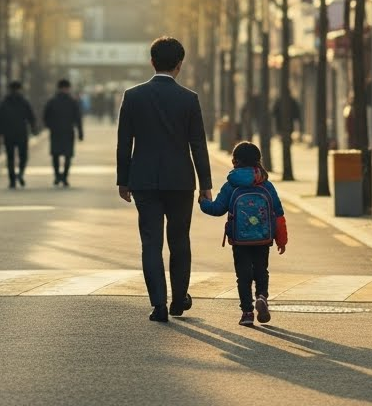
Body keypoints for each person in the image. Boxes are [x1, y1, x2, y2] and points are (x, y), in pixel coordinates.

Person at [116, 36, 213, 323]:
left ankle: (158, 304)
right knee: (179, 239)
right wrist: (205, 184)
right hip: (181, 180)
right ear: (179, 65)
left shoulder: (133, 96)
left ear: (152, 62)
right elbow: (198, 144)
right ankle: (179, 300)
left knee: (150, 242)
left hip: (143, 180)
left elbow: (124, 143)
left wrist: (123, 180)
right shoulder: (189, 99)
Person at [199, 141, 288, 327]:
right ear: (258, 161)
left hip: (240, 240)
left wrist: (203, 202)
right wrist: (282, 239)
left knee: (243, 275)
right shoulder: (265, 183)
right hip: (263, 238)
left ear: (235, 161)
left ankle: (247, 312)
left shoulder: (231, 184)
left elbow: (217, 209)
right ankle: (262, 296)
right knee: (261, 270)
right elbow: (278, 212)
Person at [0, 81, 37, 188]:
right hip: (21, 133)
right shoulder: (24, 102)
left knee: (10, 157)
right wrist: (34, 129)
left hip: (8, 134)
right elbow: (31, 117)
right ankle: (20, 174)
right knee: (23, 156)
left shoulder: (4, 102)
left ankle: (12, 179)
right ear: (20, 89)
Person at [43, 78, 84, 186]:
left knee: (55, 155)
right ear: (68, 88)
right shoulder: (72, 101)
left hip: (55, 132)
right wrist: (80, 132)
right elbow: (77, 118)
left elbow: (46, 116)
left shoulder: (52, 101)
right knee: (68, 155)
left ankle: (57, 176)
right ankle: (64, 177)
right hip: (68, 132)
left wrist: (50, 126)